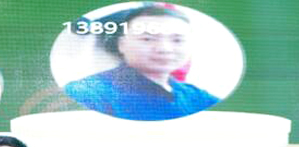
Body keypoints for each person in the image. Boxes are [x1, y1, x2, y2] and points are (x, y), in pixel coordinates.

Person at [64, 5, 219, 121]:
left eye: (177, 40)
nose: (165, 49)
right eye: (147, 39)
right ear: (121, 44)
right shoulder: (87, 93)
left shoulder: (197, 97)